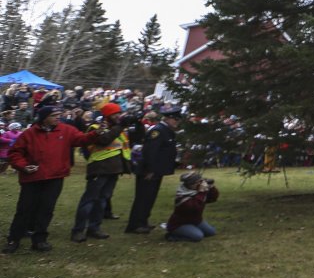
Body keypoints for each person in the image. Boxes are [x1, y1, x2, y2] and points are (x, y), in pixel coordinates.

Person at [3, 106, 110, 253]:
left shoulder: (66, 130)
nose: (58, 117)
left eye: (59, 114)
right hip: (32, 178)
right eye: (54, 115)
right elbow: (15, 153)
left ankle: (40, 240)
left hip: (55, 177)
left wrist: (96, 133)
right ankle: (14, 239)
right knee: (24, 209)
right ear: (44, 118)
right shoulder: (29, 134)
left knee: (47, 209)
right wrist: (24, 166)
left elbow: (81, 139)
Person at [70, 103, 133, 242]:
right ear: (108, 115)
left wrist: (135, 122)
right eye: (115, 114)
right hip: (99, 168)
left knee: (102, 200)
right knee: (89, 201)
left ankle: (94, 228)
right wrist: (120, 126)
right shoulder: (97, 127)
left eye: (119, 113)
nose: (119, 116)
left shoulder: (119, 128)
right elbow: (104, 140)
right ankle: (78, 230)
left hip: (113, 170)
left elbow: (127, 145)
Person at [126, 106, 181, 234]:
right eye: (175, 119)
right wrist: (150, 170)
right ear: (167, 118)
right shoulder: (158, 131)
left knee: (150, 197)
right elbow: (150, 152)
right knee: (143, 197)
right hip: (149, 171)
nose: (177, 122)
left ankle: (143, 221)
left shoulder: (166, 130)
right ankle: (135, 224)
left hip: (157, 170)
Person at [165, 172, 219, 242]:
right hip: (179, 224)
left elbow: (212, 199)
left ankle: (192, 229)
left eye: (201, 181)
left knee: (211, 232)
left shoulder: (197, 191)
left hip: (195, 220)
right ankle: (172, 236)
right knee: (198, 236)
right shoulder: (181, 196)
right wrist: (201, 192)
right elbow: (195, 207)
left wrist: (211, 187)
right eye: (198, 182)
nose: (200, 184)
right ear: (190, 185)